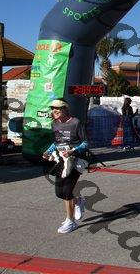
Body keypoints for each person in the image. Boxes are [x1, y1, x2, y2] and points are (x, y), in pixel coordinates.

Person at [42, 98, 89, 234]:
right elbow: (56, 142)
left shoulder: (76, 123)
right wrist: (48, 151)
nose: (54, 111)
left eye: (57, 108)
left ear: (64, 109)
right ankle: (78, 201)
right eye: (52, 109)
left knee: (67, 191)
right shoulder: (54, 124)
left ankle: (70, 221)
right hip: (62, 160)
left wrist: (73, 150)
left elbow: (86, 143)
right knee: (59, 193)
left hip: (77, 159)